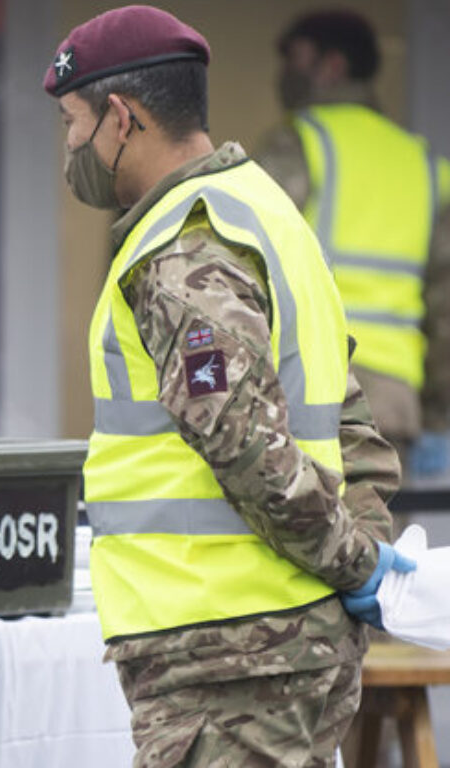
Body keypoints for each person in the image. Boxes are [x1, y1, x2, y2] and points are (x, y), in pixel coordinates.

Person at [46, 6, 413, 765]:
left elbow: (244, 442)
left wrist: (356, 564)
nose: (70, 145)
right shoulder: (267, 210)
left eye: (73, 122)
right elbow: (351, 423)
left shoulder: (186, 246)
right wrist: (363, 562)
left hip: (228, 654)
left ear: (121, 117)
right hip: (274, 643)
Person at [256, 9, 450, 475]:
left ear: (333, 65)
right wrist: (438, 418)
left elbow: (245, 251)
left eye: (296, 59)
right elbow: (446, 313)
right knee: (380, 546)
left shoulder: (300, 143)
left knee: (300, 545)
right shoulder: (424, 166)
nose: (284, 75)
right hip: (391, 409)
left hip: (310, 394)